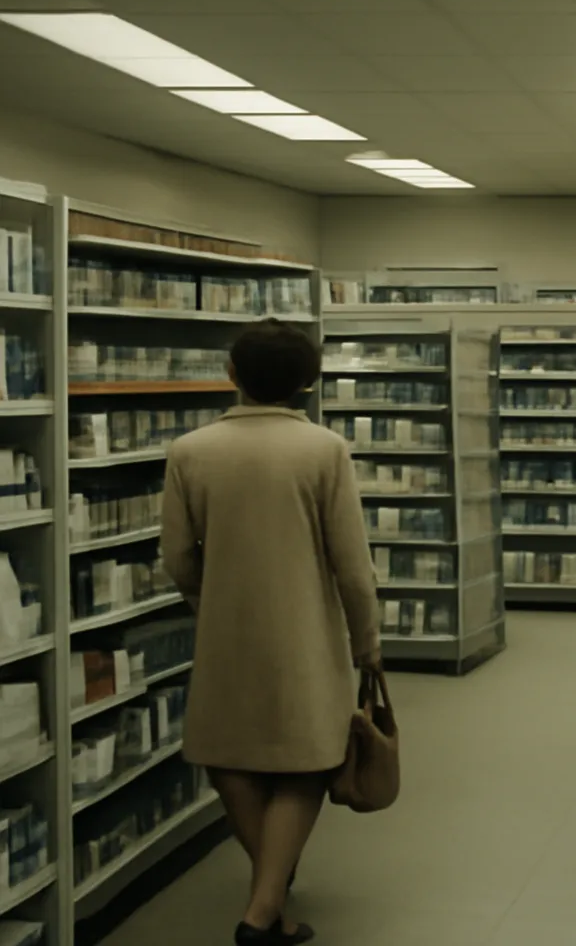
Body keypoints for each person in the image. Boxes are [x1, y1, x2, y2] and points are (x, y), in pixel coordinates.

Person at [160, 319, 380, 946]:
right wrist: (367, 642)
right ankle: (262, 911)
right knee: (307, 762)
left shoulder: (189, 451)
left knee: (226, 754)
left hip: (225, 634)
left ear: (231, 375)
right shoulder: (323, 450)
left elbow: (176, 557)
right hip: (306, 634)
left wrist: (214, 602)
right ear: (308, 384)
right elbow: (354, 569)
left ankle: (269, 902)